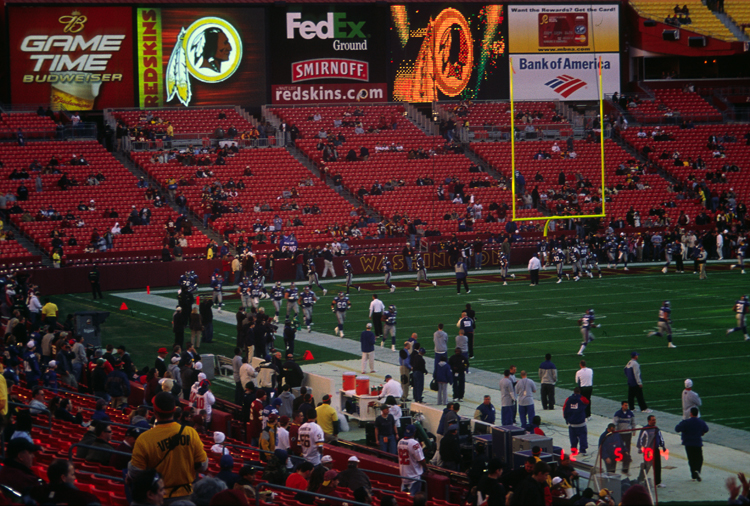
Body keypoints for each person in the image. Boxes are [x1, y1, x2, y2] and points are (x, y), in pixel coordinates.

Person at [128, 392, 208, 500]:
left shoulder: (144, 439)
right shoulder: (191, 432)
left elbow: (135, 473)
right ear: (174, 411)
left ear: (155, 411)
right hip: (186, 496)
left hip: (157, 497)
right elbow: (203, 466)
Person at [30, 459, 100, 505]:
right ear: (63, 477)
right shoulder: (86, 498)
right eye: (72, 474)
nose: (74, 477)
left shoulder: (36, 491)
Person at [675, 407, 709, 482]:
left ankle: (693, 474)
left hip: (688, 443)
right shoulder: (701, 422)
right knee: (699, 458)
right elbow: (706, 429)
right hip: (697, 442)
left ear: (691, 413)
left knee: (691, 459)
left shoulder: (686, 422)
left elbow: (677, 429)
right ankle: (697, 470)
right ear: (697, 413)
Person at [637, 414, 666, 488]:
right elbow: (640, 439)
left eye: (655, 420)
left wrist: (663, 446)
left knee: (657, 466)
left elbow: (660, 438)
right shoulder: (645, 429)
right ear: (649, 421)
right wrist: (640, 448)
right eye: (653, 420)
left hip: (656, 450)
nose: (654, 421)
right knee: (647, 466)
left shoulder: (656, 429)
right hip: (648, 451)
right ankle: (640, 480)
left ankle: (658, 482)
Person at [397, 425, 425, 495]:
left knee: (403, 499)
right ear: (414, 432)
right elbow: (421, 460)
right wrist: (426, 468)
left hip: (404, 476)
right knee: (413, 500)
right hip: (414, 477)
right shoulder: (414, 443)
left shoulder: (400, 442)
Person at [563, 387, 589, 457]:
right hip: (581, 423)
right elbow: (587, 402)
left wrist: (566, 419)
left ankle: (574, 450)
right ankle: (583, 450)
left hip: (572, 423)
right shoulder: (582, 398)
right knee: (582, 436)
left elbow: (564, 409)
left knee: (573, 438)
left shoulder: (568, 399)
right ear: (580, 392)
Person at [613, 400, 635, 474]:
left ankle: (627, 457)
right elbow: (615, 423)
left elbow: (633, 422)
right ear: (622, 405)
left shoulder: (630, 413)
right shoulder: (618, 414)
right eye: (625, 405)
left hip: (628, 433)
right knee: (620, 446)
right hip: (620, 433)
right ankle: (620, 456)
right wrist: (615, 431)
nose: (626, 406)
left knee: (628, 446)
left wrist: (633, 430)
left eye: (627, 405)